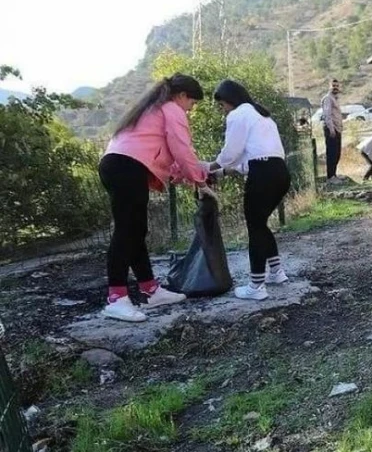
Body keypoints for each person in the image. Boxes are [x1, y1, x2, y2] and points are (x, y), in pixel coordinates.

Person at [98, 74, 215, 323]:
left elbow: (166, 157)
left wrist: (190, 176)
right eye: (192, 103)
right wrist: (200, 182)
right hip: (126, 166)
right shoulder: (171, 108)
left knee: (136, 231)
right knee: (126, 232)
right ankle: (116, 298)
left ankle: (150, 290)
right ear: (182, 96)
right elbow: (182, 148)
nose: (191, 109)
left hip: (120, 165)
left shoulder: (152, 109)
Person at [208, 80, 291, 301]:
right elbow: (247, 160)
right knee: (260, 224)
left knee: (255, 228)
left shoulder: (237, 115)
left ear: (228, 100)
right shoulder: (261, 115)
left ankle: (256, 286)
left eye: (221, 105)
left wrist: (210, 167)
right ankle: (276, 272)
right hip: (280, 172)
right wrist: (221, 172)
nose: (222, 110)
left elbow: (230, 154)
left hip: (262, 175)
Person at [321, 79, 343, 181]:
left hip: (337, 129)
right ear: (329, 86)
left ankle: (334, 174)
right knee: (332, 153)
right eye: (333, 85)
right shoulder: (328, 99)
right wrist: (331, 129)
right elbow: (327, 115)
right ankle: (330, 177)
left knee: (337, 153)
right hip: (331, 129)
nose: (335, 87)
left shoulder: (335, 99)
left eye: (337, 86)